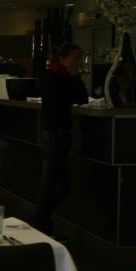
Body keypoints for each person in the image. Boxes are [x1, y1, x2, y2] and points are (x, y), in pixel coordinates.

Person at [34, 43, 89, 237]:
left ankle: (43, 220)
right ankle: (42, 221)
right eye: (75, 59)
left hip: (51, 133)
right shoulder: (60, 79)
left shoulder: (51, 76)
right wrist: (76, 78)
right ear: (63, 59)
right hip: (57, 134)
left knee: (54, 181)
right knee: (56, 182)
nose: (78, 63)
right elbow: (82, 98)